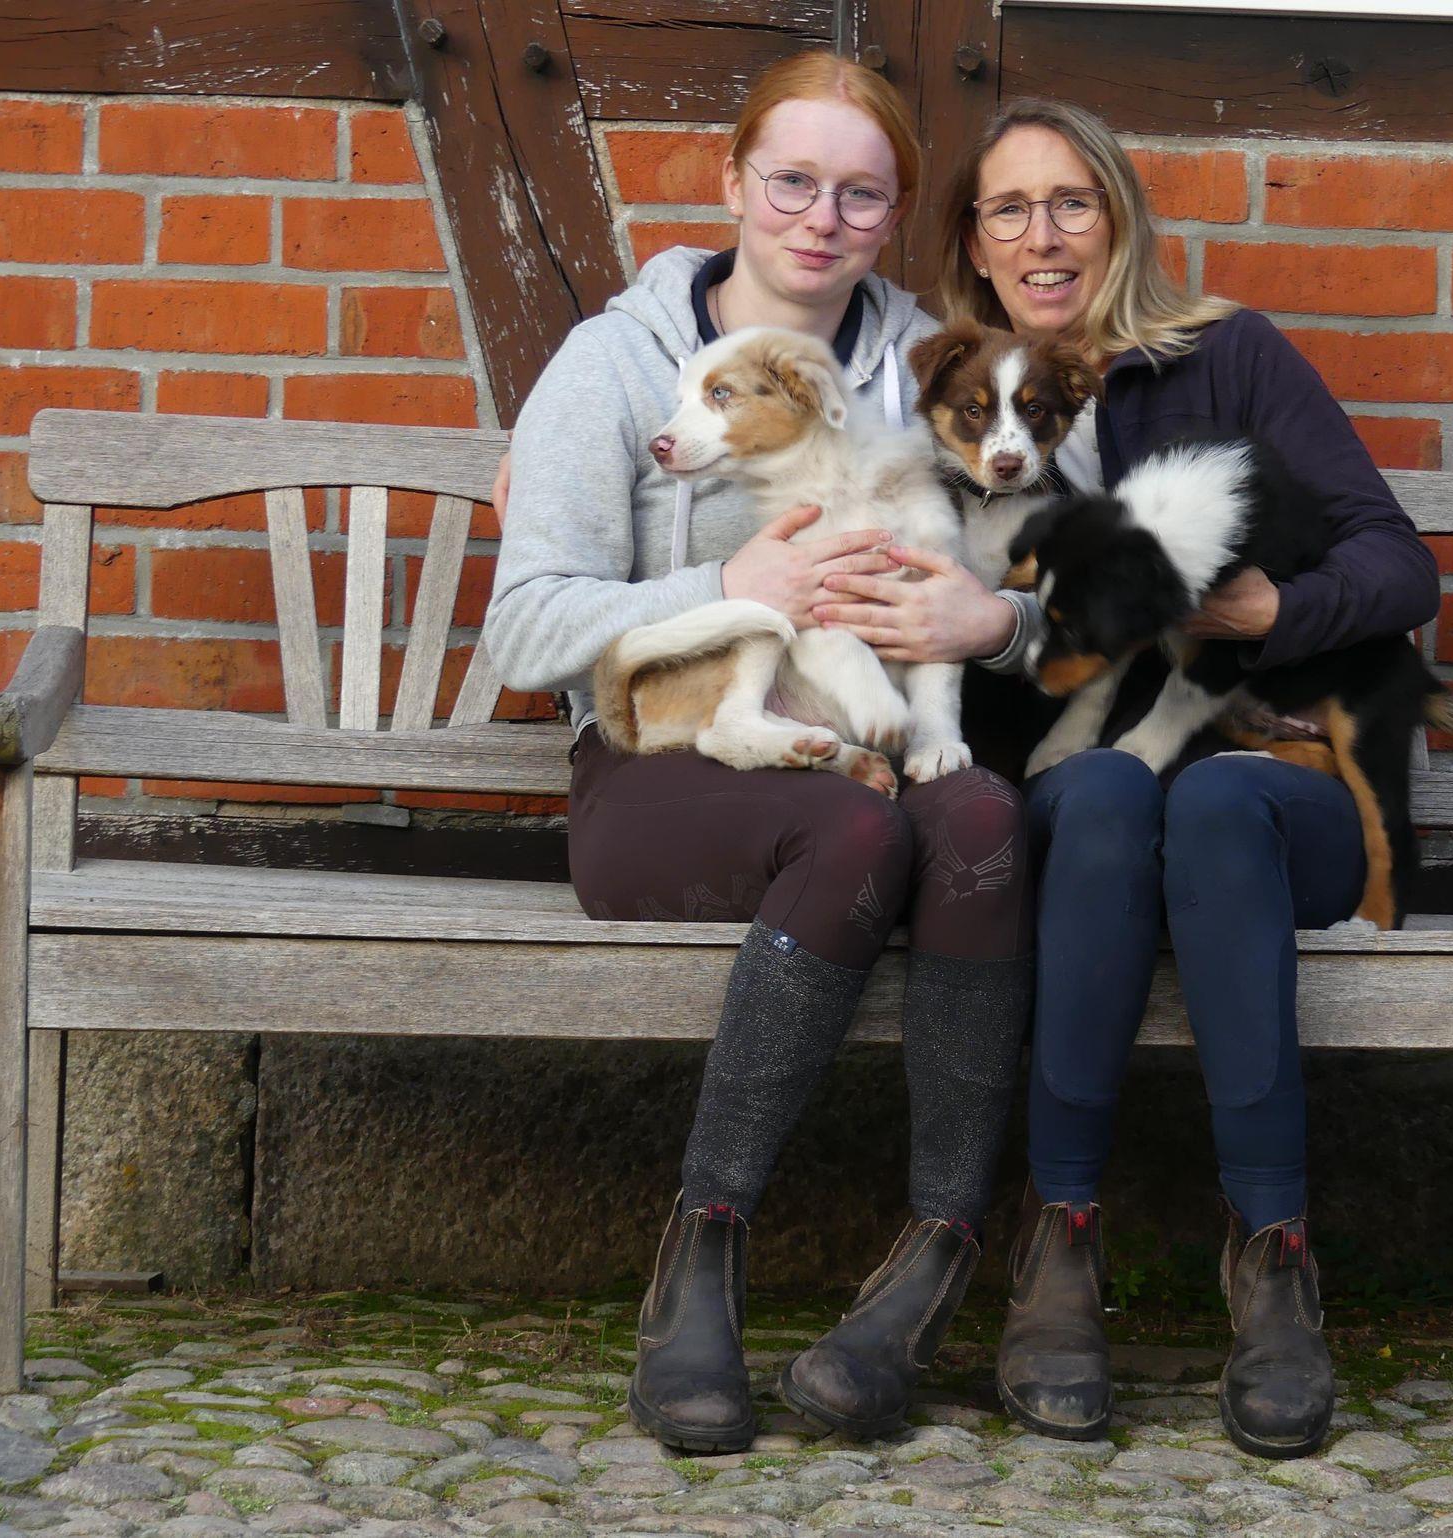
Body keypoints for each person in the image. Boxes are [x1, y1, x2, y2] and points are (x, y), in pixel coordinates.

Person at [815, 98, 1443, 1458]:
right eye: (1009, 209)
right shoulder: (941, 409)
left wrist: (1274, 610)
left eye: (1072, 203)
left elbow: (1400, 564)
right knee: (1103, 792)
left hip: (1282, 774)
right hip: (1091, 789)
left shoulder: (1229, 357)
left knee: (1210, 801)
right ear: (974, 242)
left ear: (1119, 218)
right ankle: (1060, 1243)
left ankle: (1275, 1259)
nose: (1043, 236)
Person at [481, 52, 1037, 1454]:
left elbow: (1065, 550)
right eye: (792, 180)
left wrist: (999, 620)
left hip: (867, 731)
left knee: (980, 819)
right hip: (665, 764)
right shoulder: (616, 365)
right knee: (856, 830)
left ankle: (928, 1273)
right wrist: (731, 585)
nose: (821, 219)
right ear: (732, 180)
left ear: (896, 212)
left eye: (862, 194)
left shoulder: (935, 366)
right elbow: (526, 629)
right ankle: (701, 1258)